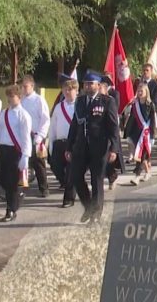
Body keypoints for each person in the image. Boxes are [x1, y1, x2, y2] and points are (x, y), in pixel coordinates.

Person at [65, 71, 119, 224]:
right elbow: (74, 125)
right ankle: (88, 206)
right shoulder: (80, 101)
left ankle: (96, 214)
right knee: (75, 176)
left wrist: (114, 148)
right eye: (86, 84)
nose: (88, 87)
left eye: (91, 84)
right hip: (82, 146)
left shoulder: (107, 102)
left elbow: (113, 127)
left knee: (97, 180)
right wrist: (69, 146)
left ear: (98, 85)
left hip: (100, 147)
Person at [0, 85, 32, 222]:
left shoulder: (24, 115)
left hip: (15, 151)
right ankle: (17, 196)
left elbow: (26, 137)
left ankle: (10, 211)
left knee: (11, 183)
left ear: (19, 97)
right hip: (3, 149)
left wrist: (25, 156)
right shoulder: (4, 113)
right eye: (8, 96)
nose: (9, 99)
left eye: (12, 96)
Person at [49, 76, 78, 208]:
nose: (67, 92)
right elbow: (53, 126)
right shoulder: (58, 107)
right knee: (55, 166)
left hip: (74, 143)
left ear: (76, 90)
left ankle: (69, 198)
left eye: (70, 89)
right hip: (59, 143)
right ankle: (68, 183)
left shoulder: (81, 106)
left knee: (71, 171)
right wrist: (51, 143)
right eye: (65, 89)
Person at [20, 75, 50, 197]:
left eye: (26, 86)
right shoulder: (21, 100)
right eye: (22, 86)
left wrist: (41, 136)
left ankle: (44, 188)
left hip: (35, 135)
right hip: (23, 136)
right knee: (22, 163)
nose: (23, 88)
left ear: (32, 86)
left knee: (38, 164)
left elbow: (45, 119)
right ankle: (20, 190)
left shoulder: (39, 100)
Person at [126, 83, 156, 185]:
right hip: (136, 133)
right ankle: (147, 172)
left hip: (146, 135)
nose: (139, 93)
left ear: (146, 92)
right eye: (138, 91)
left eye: (141, 91)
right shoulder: (135, 104)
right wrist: (128, 132)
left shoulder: (151, 105)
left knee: (140, 155)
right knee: (140, 155)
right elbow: (132, 119)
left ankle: (137, 176)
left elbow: (153, 121)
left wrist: (152, 135)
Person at [100, 74, 125, 189]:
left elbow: (113, 120)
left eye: (100, 86)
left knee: (108, 159)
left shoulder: (111, 99)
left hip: (109, 134)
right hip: (97, 135)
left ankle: (112, 177)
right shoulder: (94, 100)